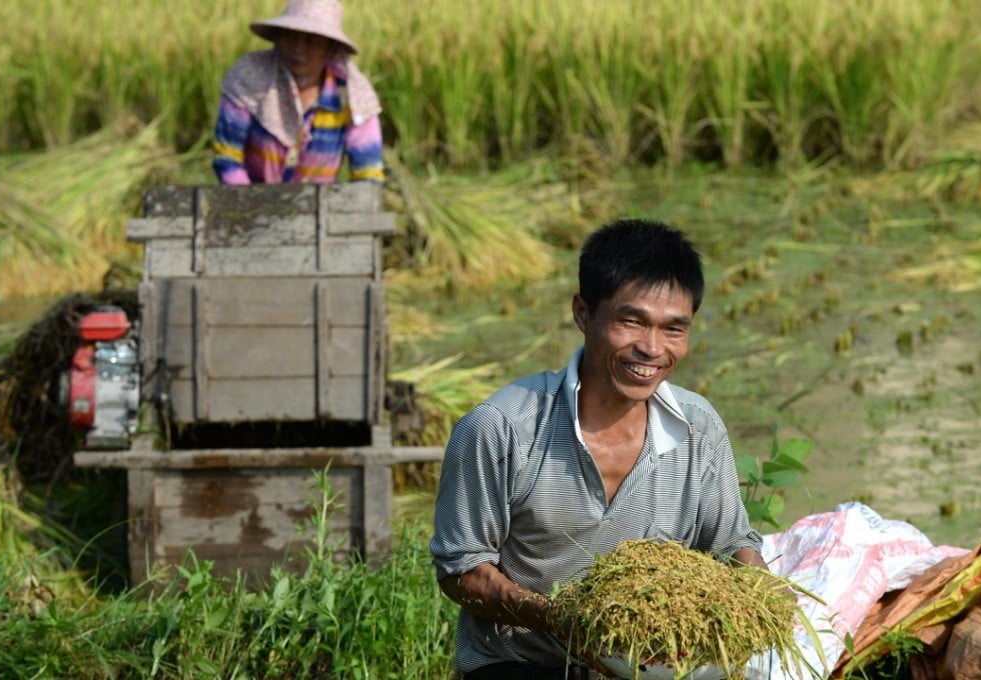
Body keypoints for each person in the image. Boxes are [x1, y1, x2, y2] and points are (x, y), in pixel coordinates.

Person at [429, 218, 770, 679]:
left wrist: (764, 594)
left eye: (674, 329)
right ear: (583, 314)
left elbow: (731, 543)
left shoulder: (699, 426)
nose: (652, 348)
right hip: (523, 662)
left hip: (650, 661)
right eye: (631, 321)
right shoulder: (502, 427)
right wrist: (565, 622)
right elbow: (460, 570)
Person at [212, 0, 385, 185]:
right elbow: (227, 156)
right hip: (248, 201)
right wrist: (251, 205)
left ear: (330, 47)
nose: (298, 48)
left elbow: (368, 173)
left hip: (321, 206)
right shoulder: (250, 78)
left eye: (311, 40)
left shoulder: (351, 94)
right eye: (291, 36)